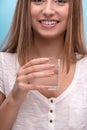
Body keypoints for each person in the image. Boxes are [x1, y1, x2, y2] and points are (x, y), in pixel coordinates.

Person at [0, 0, 87, 130]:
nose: (48, 11)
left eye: (61, 1)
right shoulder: (2, 64)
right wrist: (14, 98)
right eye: (38, 0)